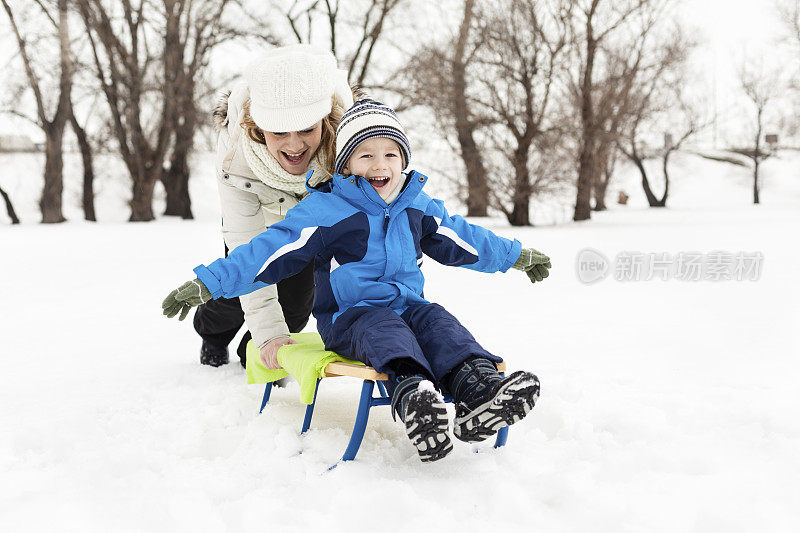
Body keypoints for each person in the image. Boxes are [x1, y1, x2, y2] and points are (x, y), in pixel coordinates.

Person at [162, 99, 552, 462]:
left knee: (439, 322)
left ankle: (478, 392)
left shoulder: (416, 205)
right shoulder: (328, 209)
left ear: (403, 161)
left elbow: (462, 237)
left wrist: (515, 256)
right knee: (385, 329)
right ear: (346, 165)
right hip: (351, 318)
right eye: (366, 155)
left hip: (408, 307)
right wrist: (211, 281)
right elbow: (271, 248)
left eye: (390, 154)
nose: (379, 164)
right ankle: (415, 397)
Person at [193, 44, 354, 368]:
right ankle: (212, 336)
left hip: (305, 229)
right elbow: (246, 252)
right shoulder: (234, 154)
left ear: (325, 119)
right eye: (279, 132)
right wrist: (269, 332)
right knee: (236, 292)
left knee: (294, 311)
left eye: (307, 129)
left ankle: (251, 353)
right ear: (258, 125)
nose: (294, 146)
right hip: (257, 224)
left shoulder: (349, 143)